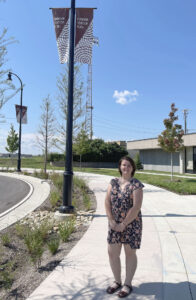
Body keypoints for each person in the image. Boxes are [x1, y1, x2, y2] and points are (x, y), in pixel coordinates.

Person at [105, 156, 144, 298]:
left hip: (131, 224)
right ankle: (117, 281)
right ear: (119, 167)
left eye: (128, 165)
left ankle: (127, 284)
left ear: (133, 168)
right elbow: (107, 202)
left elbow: (136, 207)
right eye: (123, 165)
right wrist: (111, 220)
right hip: (114, 224)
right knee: (112, 252)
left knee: (130, 254)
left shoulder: (136, 185)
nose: (125, 168)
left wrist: (124, 224)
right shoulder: (113, 182)